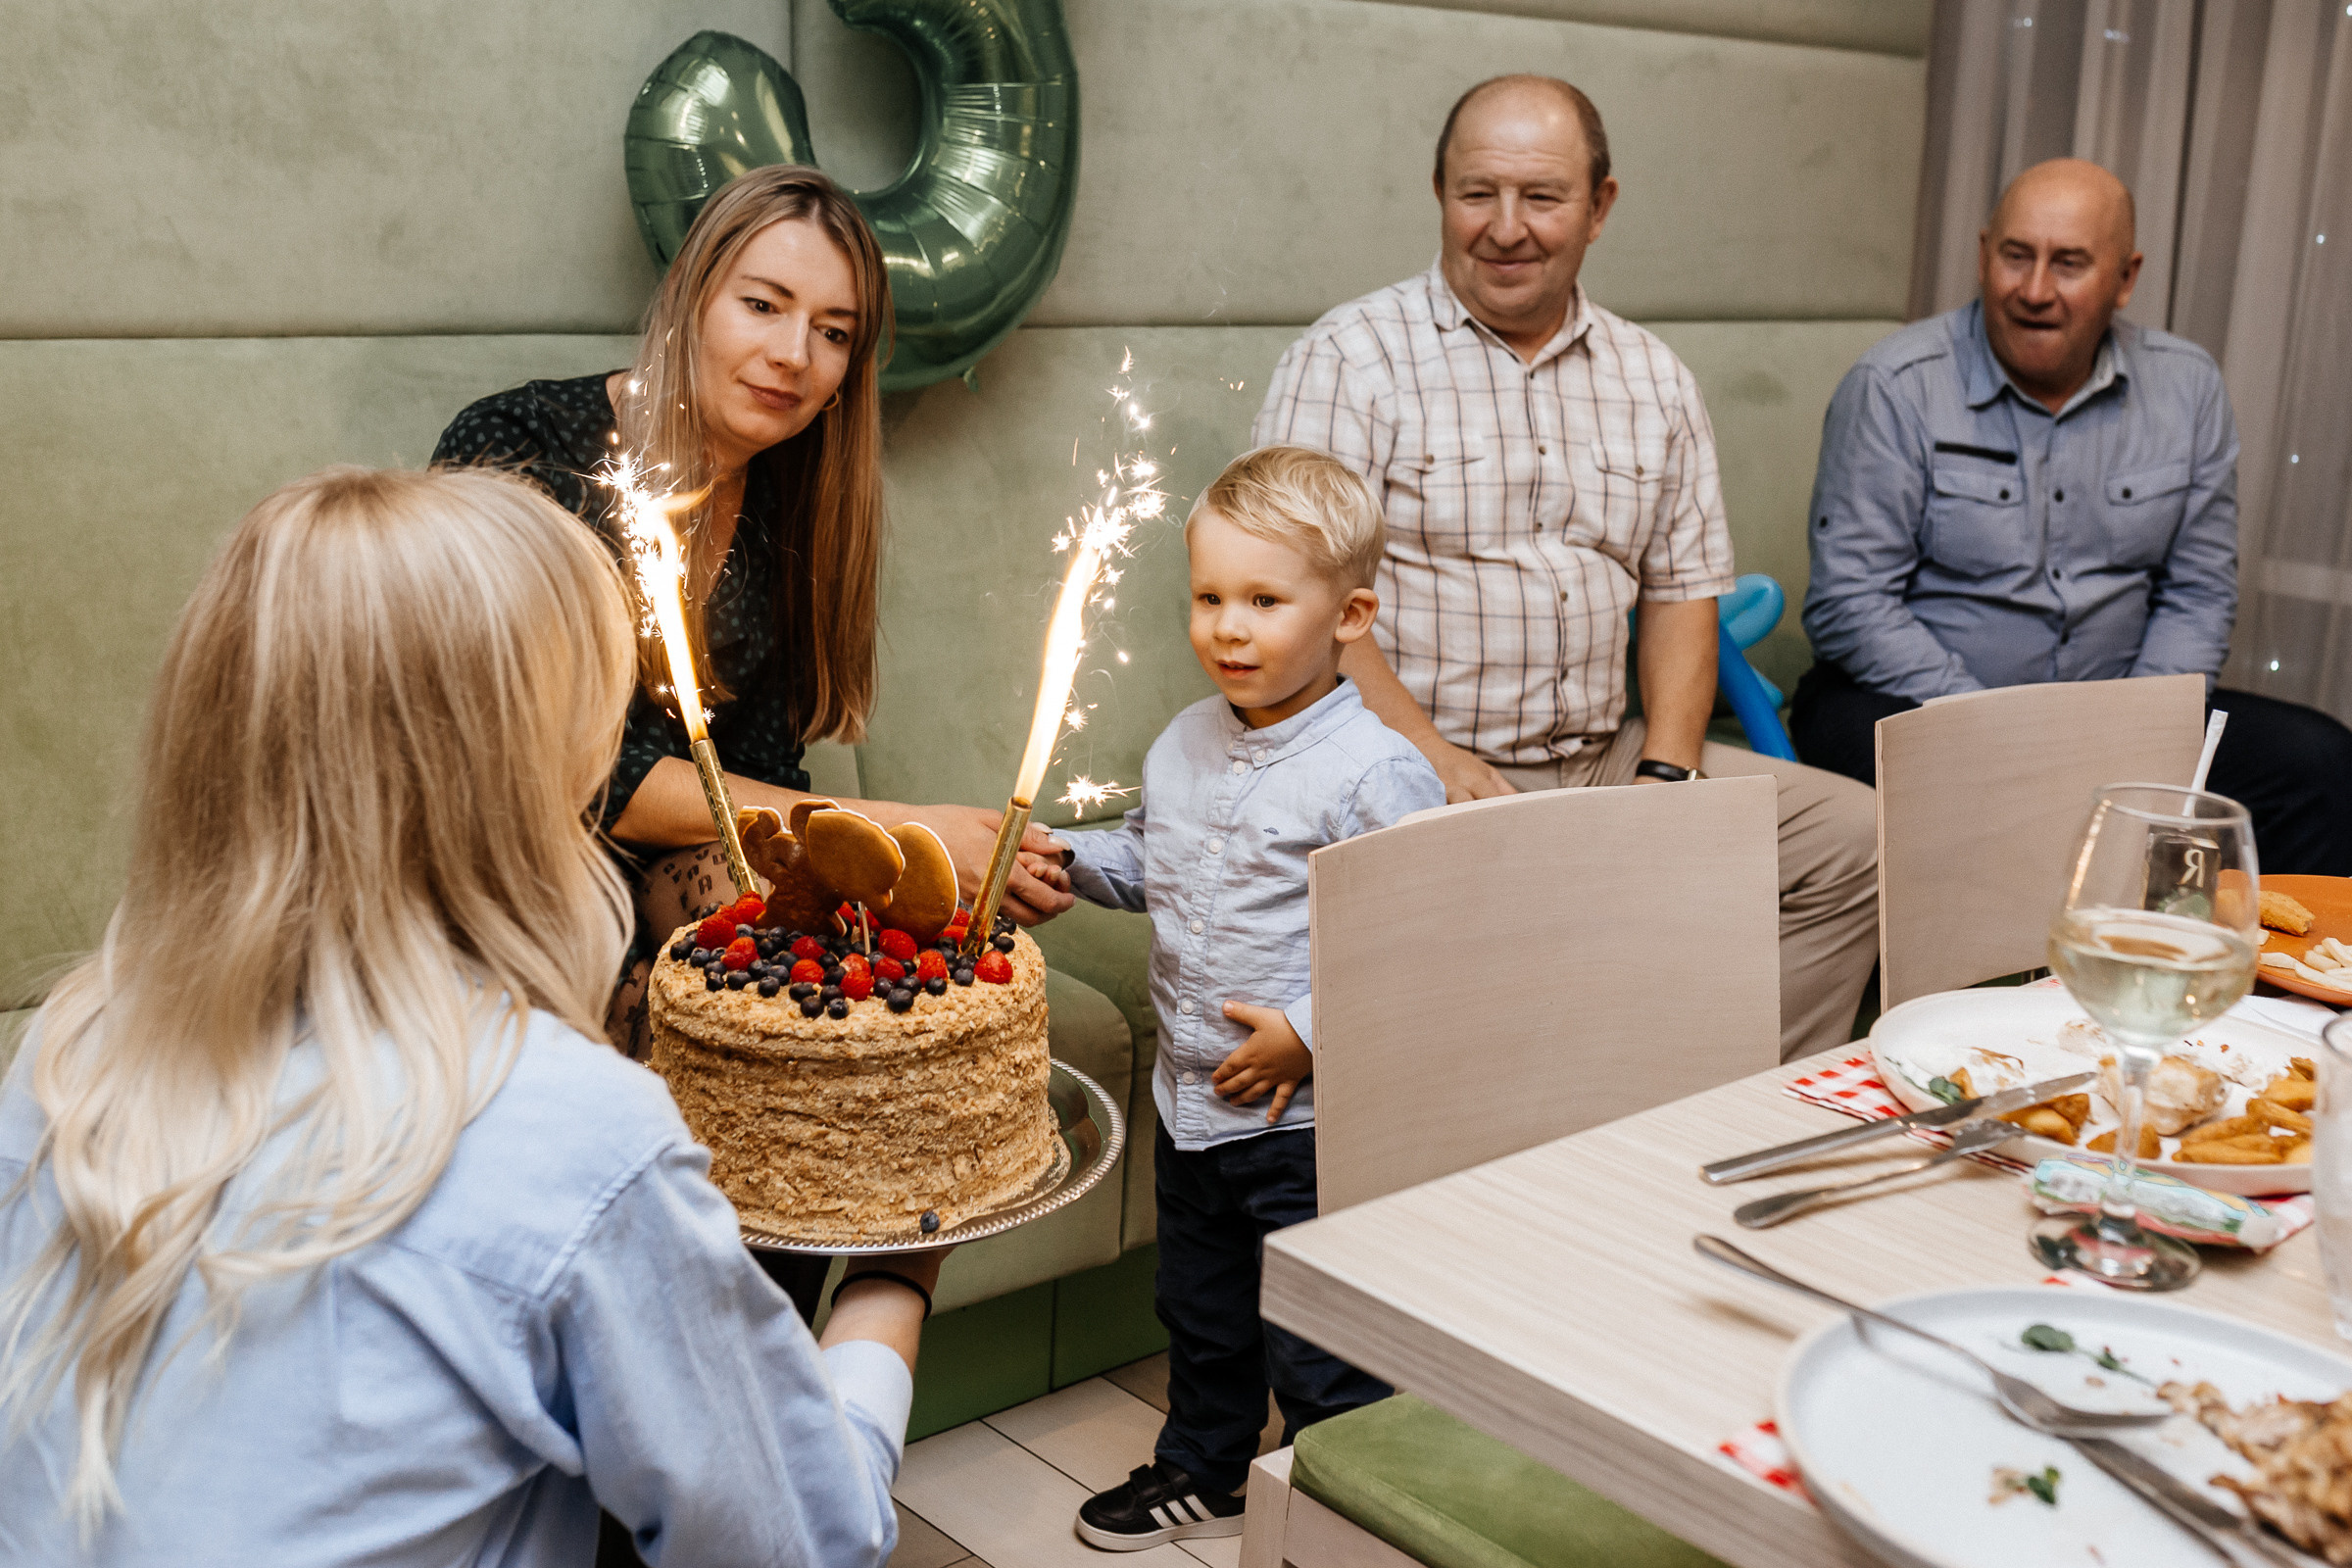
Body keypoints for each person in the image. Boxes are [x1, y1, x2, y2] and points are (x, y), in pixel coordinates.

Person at [0, 467, 942, 1566]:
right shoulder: (569, 1135)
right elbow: (805, 1541)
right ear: (517, 773)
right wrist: (901, 1256)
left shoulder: (75, 1045)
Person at [1253, 75, 1880, 1061]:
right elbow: (1306, 612)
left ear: (1600, 206)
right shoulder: (1349, 361)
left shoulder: (1655, 380)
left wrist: (1667, 774)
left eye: (1542, 197)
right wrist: (1433, 760)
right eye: (1478, 193)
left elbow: (1682, 595)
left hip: (1603, 759)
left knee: (1857, 841)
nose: (1507, 228)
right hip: (1405, 770)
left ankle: (1723, 1099)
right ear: (1438, 191)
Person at [433, 165, 1074, 1062]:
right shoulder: (516, 450)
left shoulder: (792, 500)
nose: (794, 355)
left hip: (661, 878)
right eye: (764, 305)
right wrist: (898, 826)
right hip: (502, 876)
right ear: (693, 297)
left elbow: (763, 774)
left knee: (815, 942)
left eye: (834, 331)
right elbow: (569, 770)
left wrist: (897, 869)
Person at [1042, 449, 1444, 1549]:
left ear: (1350, 611)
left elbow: (1415, 935)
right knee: (1203, 1313)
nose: (1229, 626)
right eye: (1210, 597)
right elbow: (1149, 857)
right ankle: (1205, 1470)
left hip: (1301, 1127)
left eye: (1265, 601)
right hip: (1193, 1107)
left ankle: (1342, 1496)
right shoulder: (1184, 740)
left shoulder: (1376, 770)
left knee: (1320, 1334)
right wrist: (1059, 860)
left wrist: (1310, 1036)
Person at [1795, 158, 2352, 873]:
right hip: (1928, 703)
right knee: (1892, 753)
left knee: (2322, 766)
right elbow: (1849, 602)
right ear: (1983, 254)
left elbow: (2198, 592)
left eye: (2069, 264)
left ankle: (2261, 981)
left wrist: (2134, 735)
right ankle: (2005, 975)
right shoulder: (1894, 387)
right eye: (2015, 256)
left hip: (2120, 701)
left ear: (2125, 278)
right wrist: (2001, 727)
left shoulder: (2188, 389)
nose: (2033, 291)